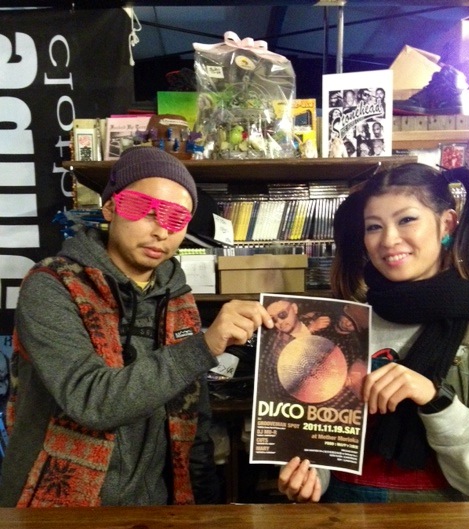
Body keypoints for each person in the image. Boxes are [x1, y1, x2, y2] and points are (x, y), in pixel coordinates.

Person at [0, 146, 273, 508]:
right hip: (54, 507)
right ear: (110, 207)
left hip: (153, 509)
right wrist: (203, 347)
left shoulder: (178, 297)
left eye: (177, 218)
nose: (161, 230)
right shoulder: (51, 286)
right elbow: (90, 401)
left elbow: (193, 414)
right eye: (143, 209)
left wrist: (205, 504)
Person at [279, 162, 469, 503]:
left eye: (407, 220)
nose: (388, 240)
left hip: (440, 525)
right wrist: (309, 477)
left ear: (447, 223)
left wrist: (435, 398)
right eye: (374, 226)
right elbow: (321, 440)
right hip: (340, 516)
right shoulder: (344, 322)